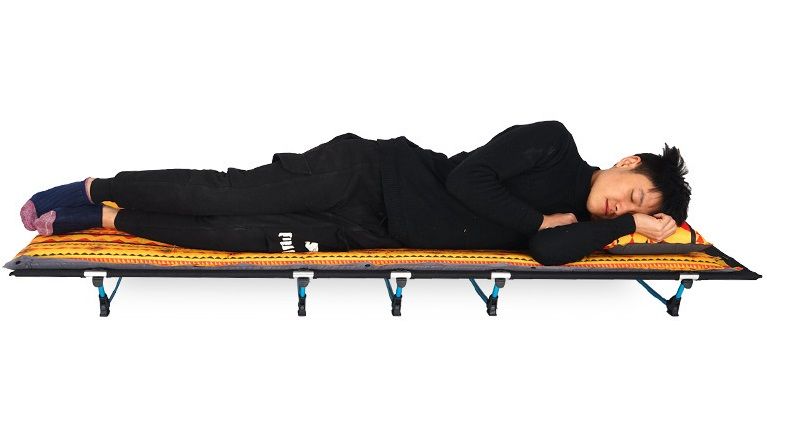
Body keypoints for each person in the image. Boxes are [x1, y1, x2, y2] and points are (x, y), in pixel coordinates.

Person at [19, 120, 690, 265]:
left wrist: (618, 231)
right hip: (368, 173)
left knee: (233, 239)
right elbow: (467, 178)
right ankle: (92, 184)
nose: (624, 208)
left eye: (639, 215)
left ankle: (106, 216)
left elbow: (544, 252)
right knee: (228, 198)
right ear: (627, 162)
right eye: (635, 196)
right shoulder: (553, 143)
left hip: (367, 231)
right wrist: (536, 217)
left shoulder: (582, 225)